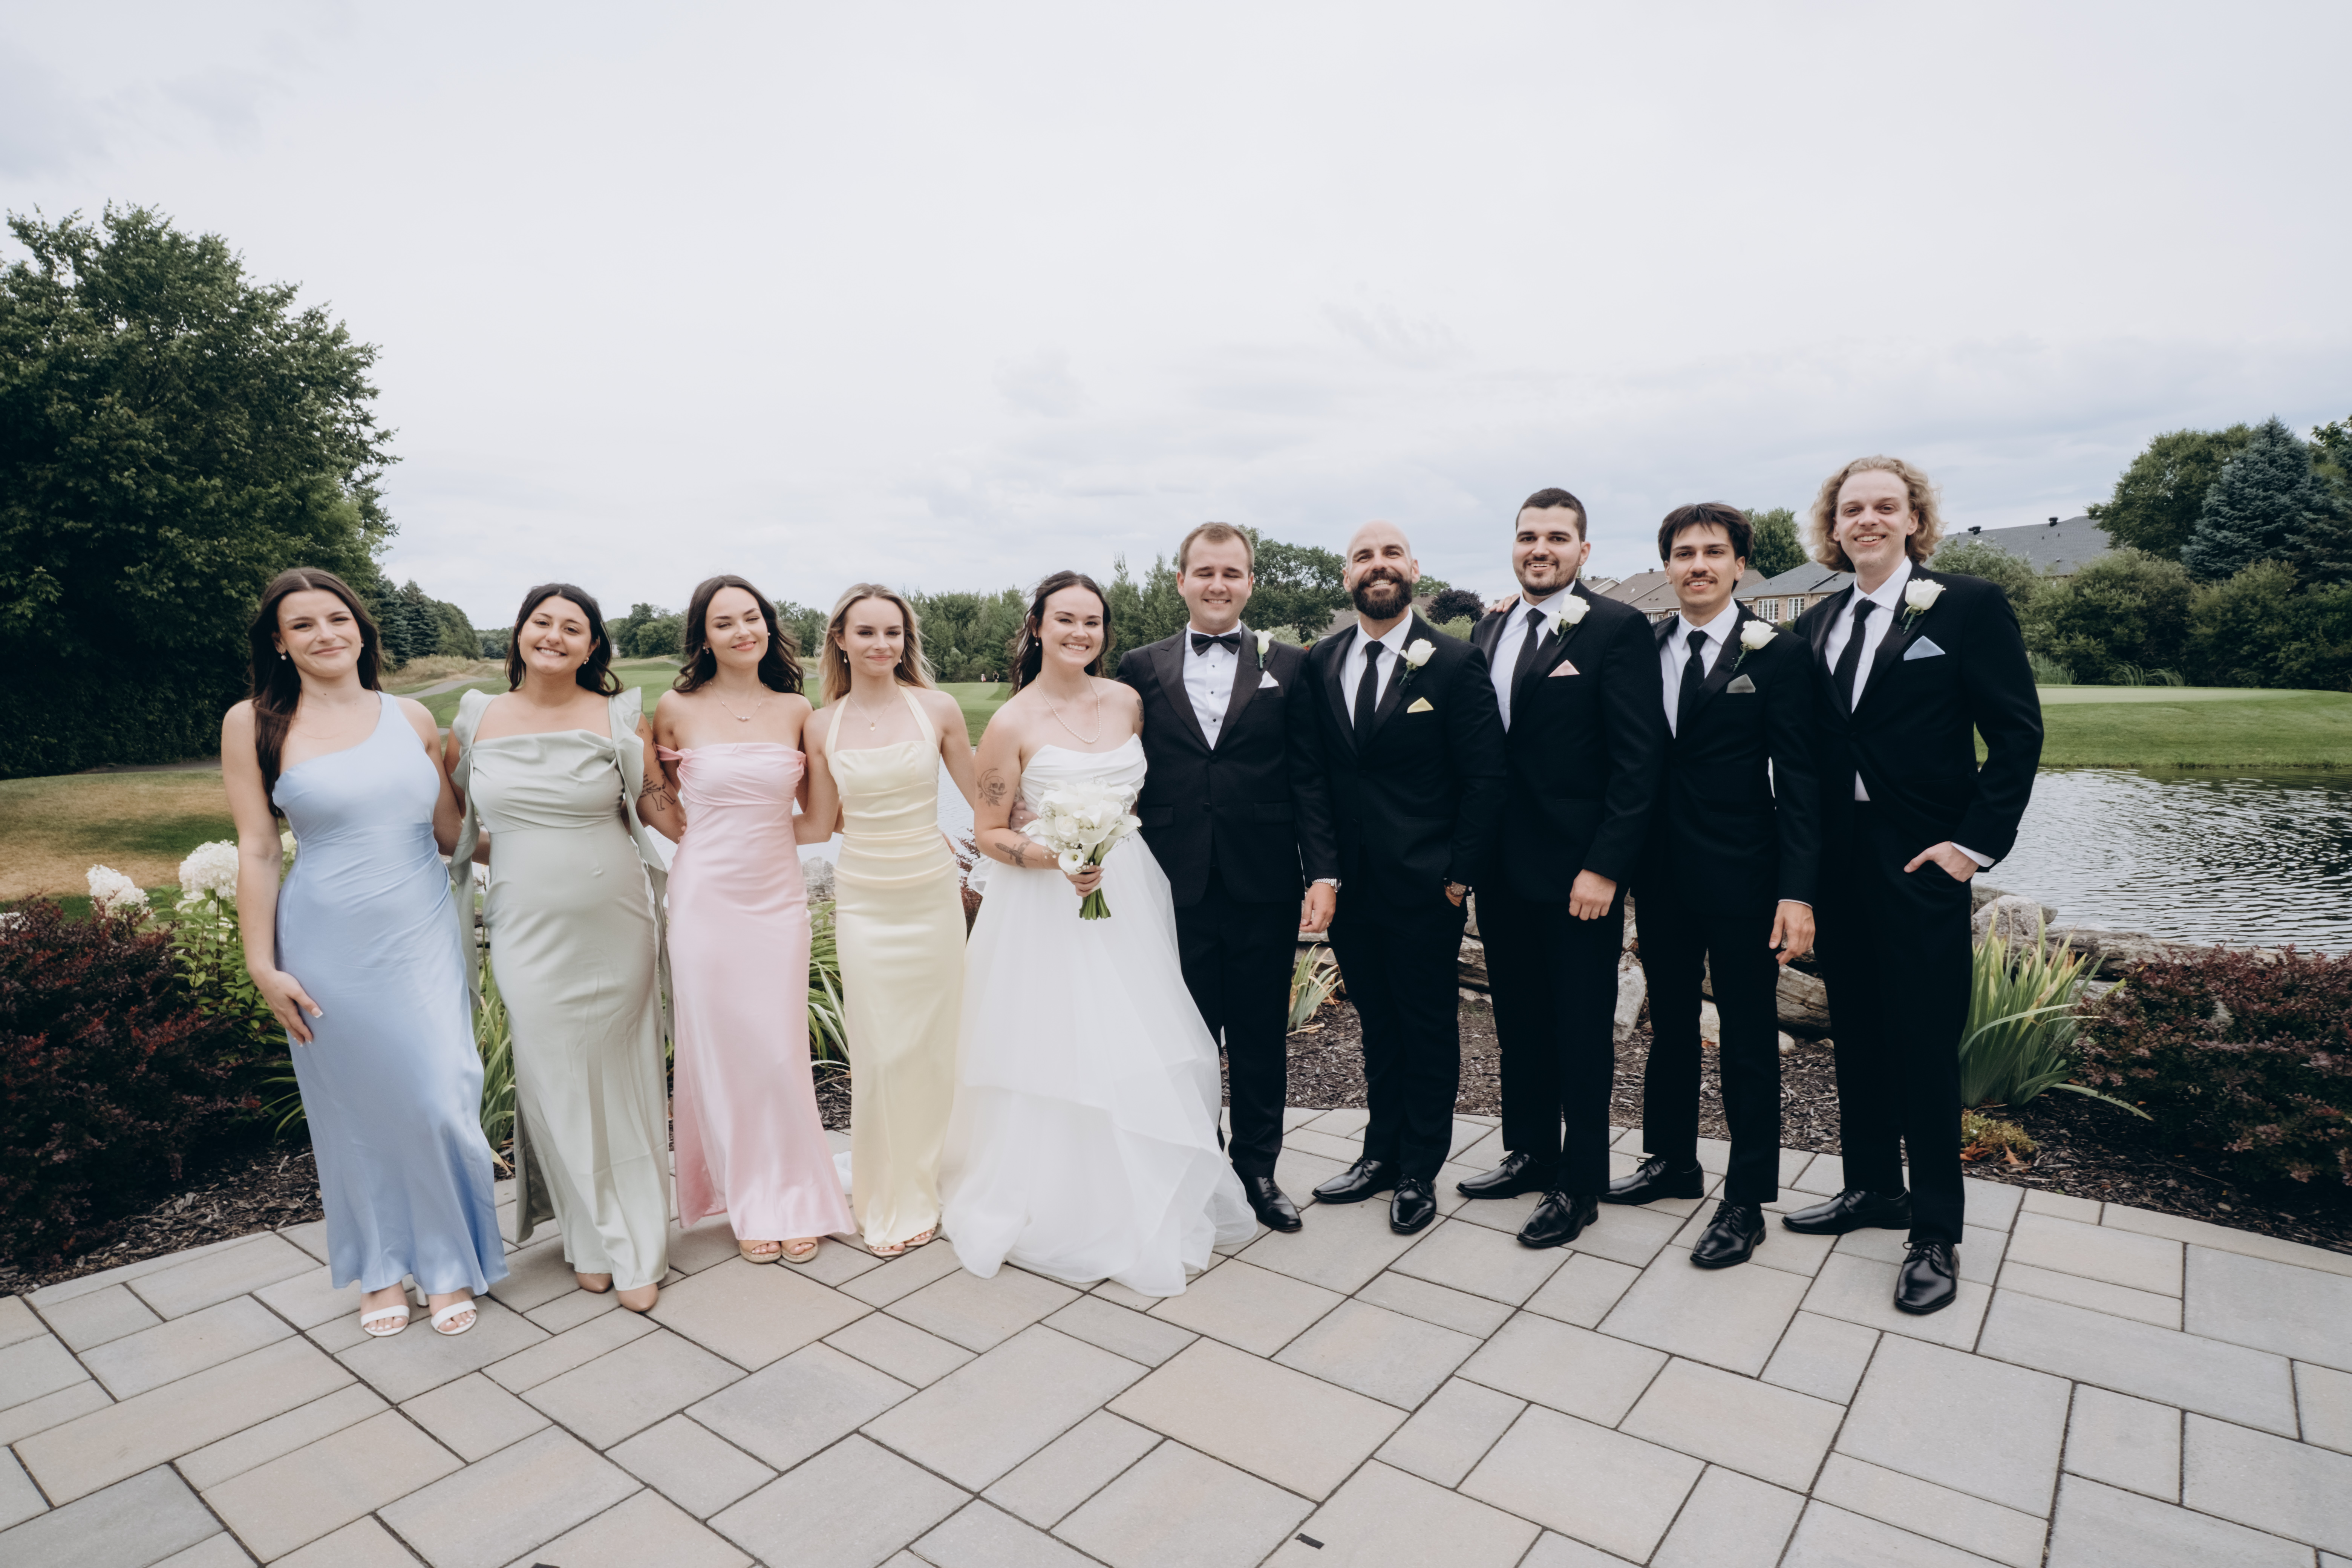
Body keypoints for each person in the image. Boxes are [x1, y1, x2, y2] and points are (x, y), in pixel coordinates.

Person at [940, 571, 1255, 1295]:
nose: (1080, 633)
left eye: (1092, 622)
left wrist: (1104, 843)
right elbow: (988, 831)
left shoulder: (1127, 702)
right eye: (1065, 620)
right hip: (1044, 905)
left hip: (1129, 892)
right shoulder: (1011, 722)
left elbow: (1144, 795)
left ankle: (1143, 1187)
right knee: (1058, 1043)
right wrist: (1053, 856)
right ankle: (1060, 1200)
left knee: (1139, 1033)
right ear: (1037, 627)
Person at [1785, 457, 2041, 1315]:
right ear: (1834, 526)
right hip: (1839, 863)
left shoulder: (1966, 606)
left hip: (1922, 859)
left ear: (1913, 519)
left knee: (1925, 1044)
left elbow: (2017, 734)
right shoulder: (1816, 624)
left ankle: (1935, 1230)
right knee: (1856, 1031)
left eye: (1884, 506)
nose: (1867, 519)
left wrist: (1972, 847)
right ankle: (1872, 1188)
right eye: (1852, 508)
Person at [221, 568, 505, 1340]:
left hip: (420, 934)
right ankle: (379, 1267)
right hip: (324, 942)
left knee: (441, 1095)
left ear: (360, 628)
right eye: (303, 624)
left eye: (337, 618)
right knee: (351, 1111)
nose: (324, 634)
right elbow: (258, 848)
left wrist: (562, 832)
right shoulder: (252, 723)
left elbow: (451, 833)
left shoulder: (409, 716)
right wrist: (261, 964)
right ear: (279, 643)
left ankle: (448, 1259)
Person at [445, 584, 671, 1312]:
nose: (555, 635)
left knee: (622, 1074)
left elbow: (659, 811)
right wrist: (527, 854)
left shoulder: (621, 716)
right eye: (542, 622)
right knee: (554, 1077)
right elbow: (455, 829)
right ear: (519, 633)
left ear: (592, 646)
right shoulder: (475, 718)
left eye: (573, 628)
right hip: (524, 926)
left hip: (616, 921)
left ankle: (636, 1240)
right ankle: (589, 1235)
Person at [1455, 490, 1666, 1248]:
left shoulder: (1616, 628)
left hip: (1580, 877)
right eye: (1527, 536)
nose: (1539, 549)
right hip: (1502, 871)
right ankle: (1531, 1152)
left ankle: (1579, 1184)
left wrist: (1606, 866)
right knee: (1519, 1023)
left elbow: (1639, 761)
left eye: (1556, 537)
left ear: (1583, 550)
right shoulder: (1490, 628)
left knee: (1580, 1031)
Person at [1115, 523, 1339, 1234]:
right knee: (1182, 1036)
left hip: (1262, 879)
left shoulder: (1291, 665)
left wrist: (1323, 872)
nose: (1218, 585)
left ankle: (1258, 1172)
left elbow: (1310, 776)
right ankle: (1196, 1172)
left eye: (1232, 573)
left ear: (1250, 583)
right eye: (1205, 572)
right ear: (1181, 580)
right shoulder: (1139, 666)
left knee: (1258, 1034)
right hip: (1168, 881)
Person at [1613, 504, 1819, 1268]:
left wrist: (1797, 892)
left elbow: (1801, 780)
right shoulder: (1645, 646)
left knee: (1746, 1036)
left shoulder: (1779, 652)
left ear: (1739, 566)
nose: (1697, 565)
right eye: (1683, 553)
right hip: (1659, 876)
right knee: (1669, 1026)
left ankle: (1746, 1199)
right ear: (1666, 566)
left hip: (1745, 876)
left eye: (1713, 552)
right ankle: (1671, 1161)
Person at [1299, 522, 1507, 1235]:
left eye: (1391, 554)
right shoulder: (1322, 661)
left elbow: (1485, 779)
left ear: (1414, 569)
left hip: (1426, 886)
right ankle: (1379, 1156)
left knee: (1425, 1027)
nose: (1378, 565)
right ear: (1348, 575)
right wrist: (1323, 871)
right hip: (1352, 888)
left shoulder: (1454, 662)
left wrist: (1459, 878)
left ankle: (1420, 1169)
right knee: (1377, 1025)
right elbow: (1315, 778)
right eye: (1364, 556)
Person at [645, 574, 853, 1266]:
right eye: (725, 622)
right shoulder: (674, 709)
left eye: (752, 618)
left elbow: (819, 823)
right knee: (719, 1048)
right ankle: (748, 1197)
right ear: (704, 637)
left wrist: (758, 831)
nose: (743, 631)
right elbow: (654, 798)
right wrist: (706, 836)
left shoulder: (798, 710)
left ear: (769, 625)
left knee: (777, 1047)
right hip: (704, 898)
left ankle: (794, 1190)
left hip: (775, 899)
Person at [799, 584, 977, 1257]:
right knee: (880, 1049)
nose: (882, 645)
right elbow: (821, 823)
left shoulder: (938, 708)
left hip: (930, 893)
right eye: (867, 632)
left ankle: (933, 1174)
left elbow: (986, 800)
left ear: (907, 640)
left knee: (934, 1043)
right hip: (864, 900)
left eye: (893, 633)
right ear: (840, 641)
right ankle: (889, 1190)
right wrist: (726, 824)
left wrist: (1064, 831)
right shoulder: (822, 724)